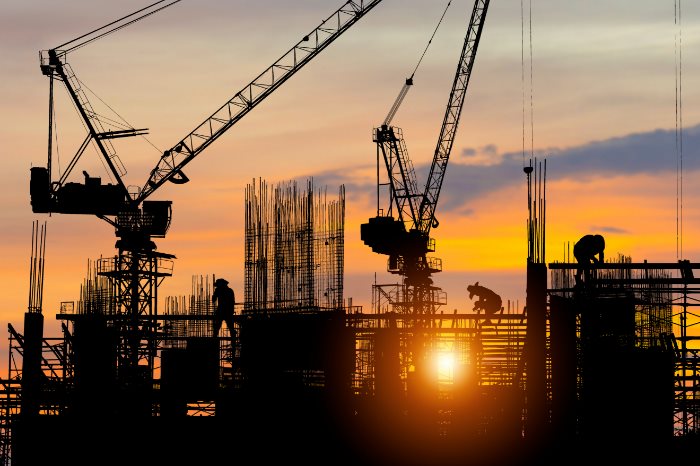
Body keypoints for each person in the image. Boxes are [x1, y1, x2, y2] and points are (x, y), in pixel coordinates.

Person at [212, 278, 235, 344]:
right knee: (230, 328)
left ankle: (214, 341)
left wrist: (215, 293)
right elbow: (232, 302)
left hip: (222, 311)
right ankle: (233, 342)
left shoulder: (220, 291)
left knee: (217, 328)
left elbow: (213, 300)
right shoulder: (230, 290)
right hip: (227, 312)